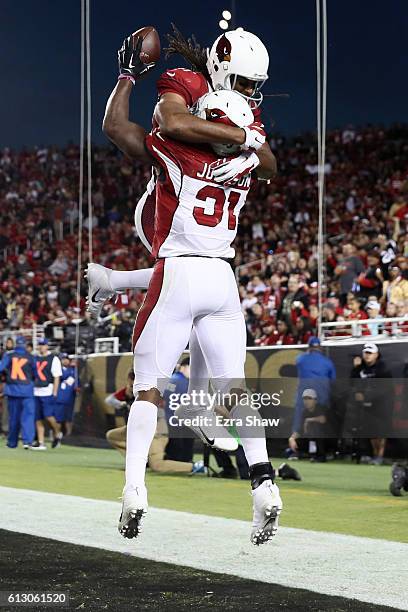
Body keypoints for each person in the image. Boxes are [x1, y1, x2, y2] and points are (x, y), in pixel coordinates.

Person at [98, 29, 282, 545]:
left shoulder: (177, 147)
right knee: (234, 386)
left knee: (148, 388)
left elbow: (138, 128)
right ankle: (263, 480)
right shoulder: (244, 151)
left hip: (179, 267)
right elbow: (264, 160)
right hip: (223, 277)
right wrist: (242, 138)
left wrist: (128, 76)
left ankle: (134, 488)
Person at [349, 342, 393, 465]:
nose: (367, 356)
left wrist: (367, 395)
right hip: (366, 405)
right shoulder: (360, 369)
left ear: (376, 355)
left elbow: (384, 389)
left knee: (381, 431)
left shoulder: (383, 369)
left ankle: (380, 455)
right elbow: (352, 382)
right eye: (366, 353)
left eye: (370, 353)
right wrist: (355, 369)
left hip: (382, 404)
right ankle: (374, 454)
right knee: (371, 430)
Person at [293, 337, 336, 435]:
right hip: (322, 397)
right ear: (320, 348)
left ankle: (295, 440)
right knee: (323, 416)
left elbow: (298, 362)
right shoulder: (328, 362)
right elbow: (333, 381)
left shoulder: (300, 359)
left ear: (309, 347)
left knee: (299, 416)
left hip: (304, 396)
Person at [0, 336, 36, 449]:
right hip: (27, 390)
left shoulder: (9, 355)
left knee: (13, 418)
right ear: (25, 345)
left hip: (13, 390)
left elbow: (1, 368)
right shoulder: (31, 357)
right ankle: (27, 441)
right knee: (28, 417)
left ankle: (12, 442)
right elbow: (36, 374)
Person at [32, 339, 63, 450]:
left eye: (43, 345)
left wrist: (55, 391)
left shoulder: (53, 359)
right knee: (37, 417)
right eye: (40, 345)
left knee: (49, 416)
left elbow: (56, 376)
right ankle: (41, 442)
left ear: (47, 346)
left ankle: (57, 432)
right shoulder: (35, 358)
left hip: (47, 390)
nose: (41, 347)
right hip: (36, 390)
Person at [288, 389, 327, 462]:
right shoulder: (305, 412)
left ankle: (318, 456)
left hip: (324, 441)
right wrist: (292, 438)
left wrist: (309, 420)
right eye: (305, 399)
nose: (306, 401)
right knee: (296, 439)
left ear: (315, 400)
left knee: (314, 426)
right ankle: (298, 453)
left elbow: (323, 419)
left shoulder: (320, 408)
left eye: (309, 398)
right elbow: (300, 430)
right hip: (309, 439)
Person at [54, 353, 78, 437]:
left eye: (66, 359)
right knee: (58, 418)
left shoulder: (73, 370)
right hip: (60, 397)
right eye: (62, 359)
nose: (65, 360)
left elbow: (76, 380)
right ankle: (57, 434)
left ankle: (69, 435)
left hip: (70, 398)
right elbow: (62, 377)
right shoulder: (58, 370)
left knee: (69, 418)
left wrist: (75, 367)